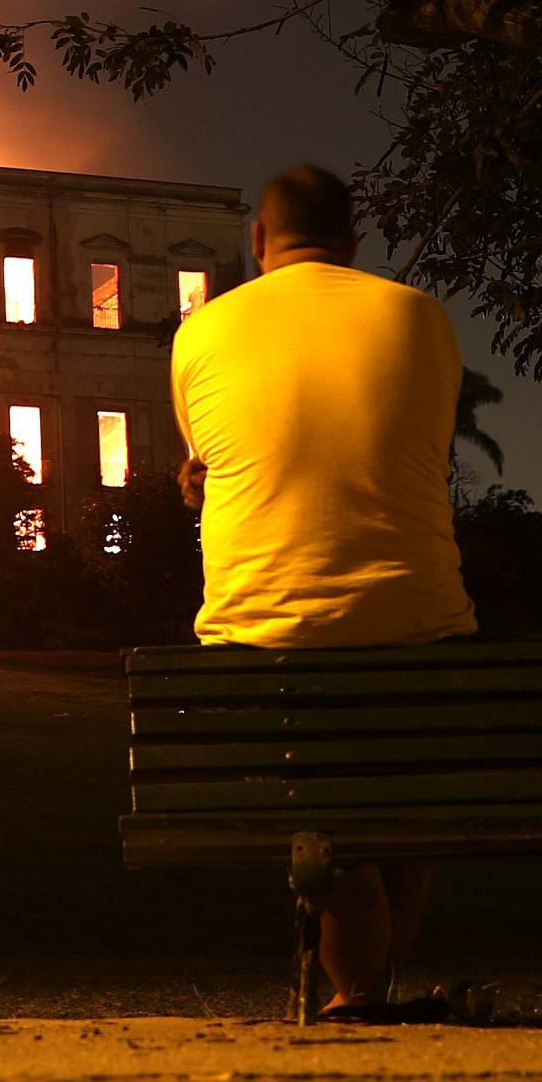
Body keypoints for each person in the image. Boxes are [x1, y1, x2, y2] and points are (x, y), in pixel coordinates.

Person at [170, 162, 476, 1020]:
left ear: (257, 241)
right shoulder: (420, 315)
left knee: (330, 805)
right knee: (418, 798)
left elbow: (211, 453)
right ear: (354, 240)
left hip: (261, 643)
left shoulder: (203, 331)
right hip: (417, 631)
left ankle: (361, 989)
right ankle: (367, 989)